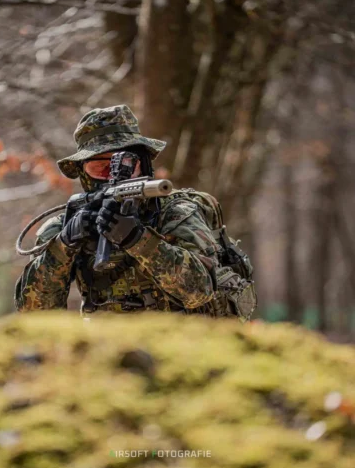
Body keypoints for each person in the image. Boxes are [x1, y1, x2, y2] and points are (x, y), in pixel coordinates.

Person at [15, 105, 256, 318]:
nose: (111, 175)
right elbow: (33, 314)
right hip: (108, 347)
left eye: (124, 164)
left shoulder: (176, 213)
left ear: (143, 165)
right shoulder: (65, 226)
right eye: (99, 167)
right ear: (83, 173)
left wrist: (139, 240)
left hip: (180, 342)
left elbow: (199, 292)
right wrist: (64, 246)